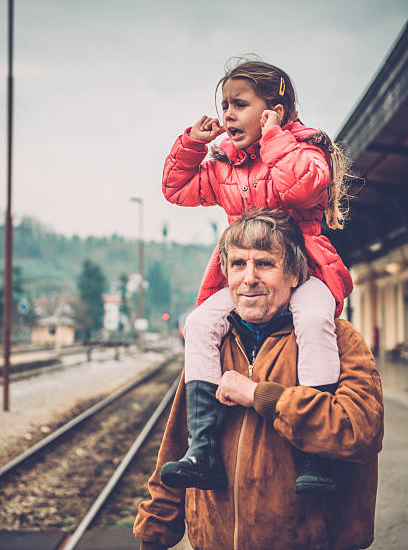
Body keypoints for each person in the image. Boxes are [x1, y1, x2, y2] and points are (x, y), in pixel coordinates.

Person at [133, 209, 384, 550]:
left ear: (295, 273)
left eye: (265, 264)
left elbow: (360, 431)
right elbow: (178, 443)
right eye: (238, 264)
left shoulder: (340, 340)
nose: (248, 278)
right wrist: (154, 534)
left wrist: (260, 396)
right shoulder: (212, 347)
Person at [160, 59, 353, 493]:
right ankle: (203, 451)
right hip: (245, 277)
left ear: (274, 111)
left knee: (314, 319)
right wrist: (192, 143)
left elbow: (303, 188)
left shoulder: (303, 150)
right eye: (224, 105)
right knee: (200, 323)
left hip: (304, 270)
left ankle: (315, 455)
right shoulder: (223, 165)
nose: (227, 114)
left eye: (239, 104)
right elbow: (176, 190)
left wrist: (274, 141)